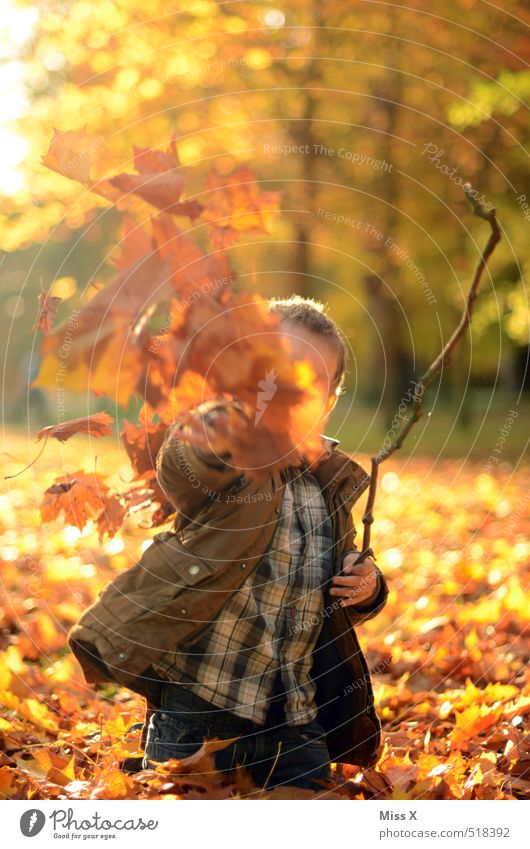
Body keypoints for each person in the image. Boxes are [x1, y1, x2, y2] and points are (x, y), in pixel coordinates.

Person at [137, 295, 389, 793]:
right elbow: (179, 468)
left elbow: (336, 601)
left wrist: (368, 586)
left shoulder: (329, 488)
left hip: (296, 721)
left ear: (329, 402)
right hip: (196, 714)